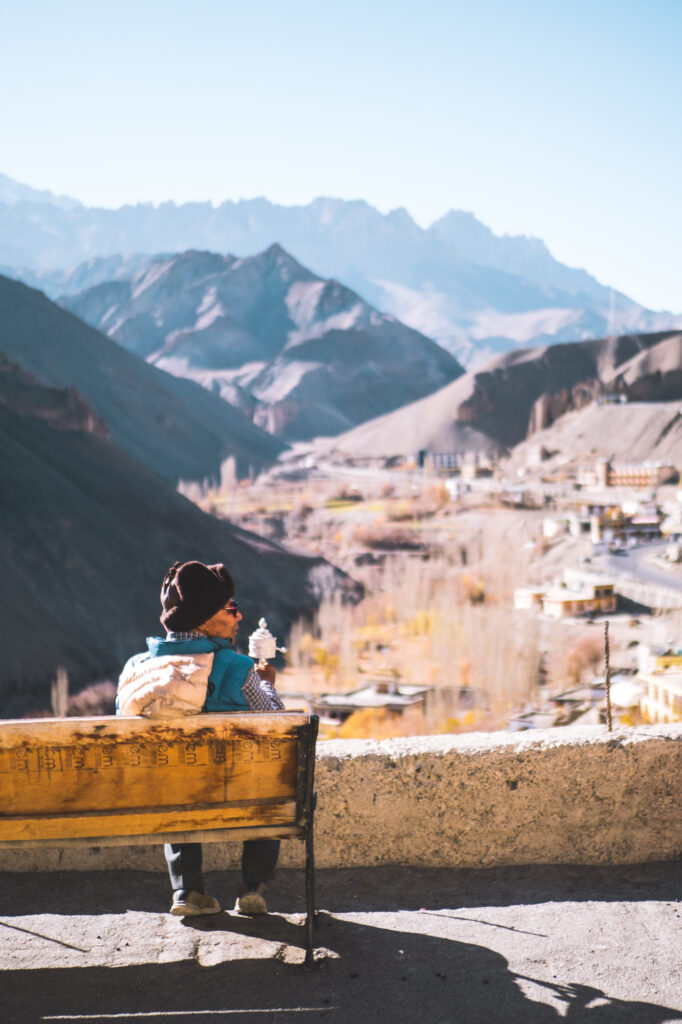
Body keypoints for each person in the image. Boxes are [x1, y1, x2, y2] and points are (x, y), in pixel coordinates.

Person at [117, 560, 284, 918]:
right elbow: (279, 726)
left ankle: (188, 891)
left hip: (164, 800)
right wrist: (267, 682)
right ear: (205, 618)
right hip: (238, 795)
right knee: (268, 782)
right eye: (231, 609)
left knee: (177, 780)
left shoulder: (135, 671)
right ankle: (252, 887)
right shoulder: (239, 669)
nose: (239, 617)